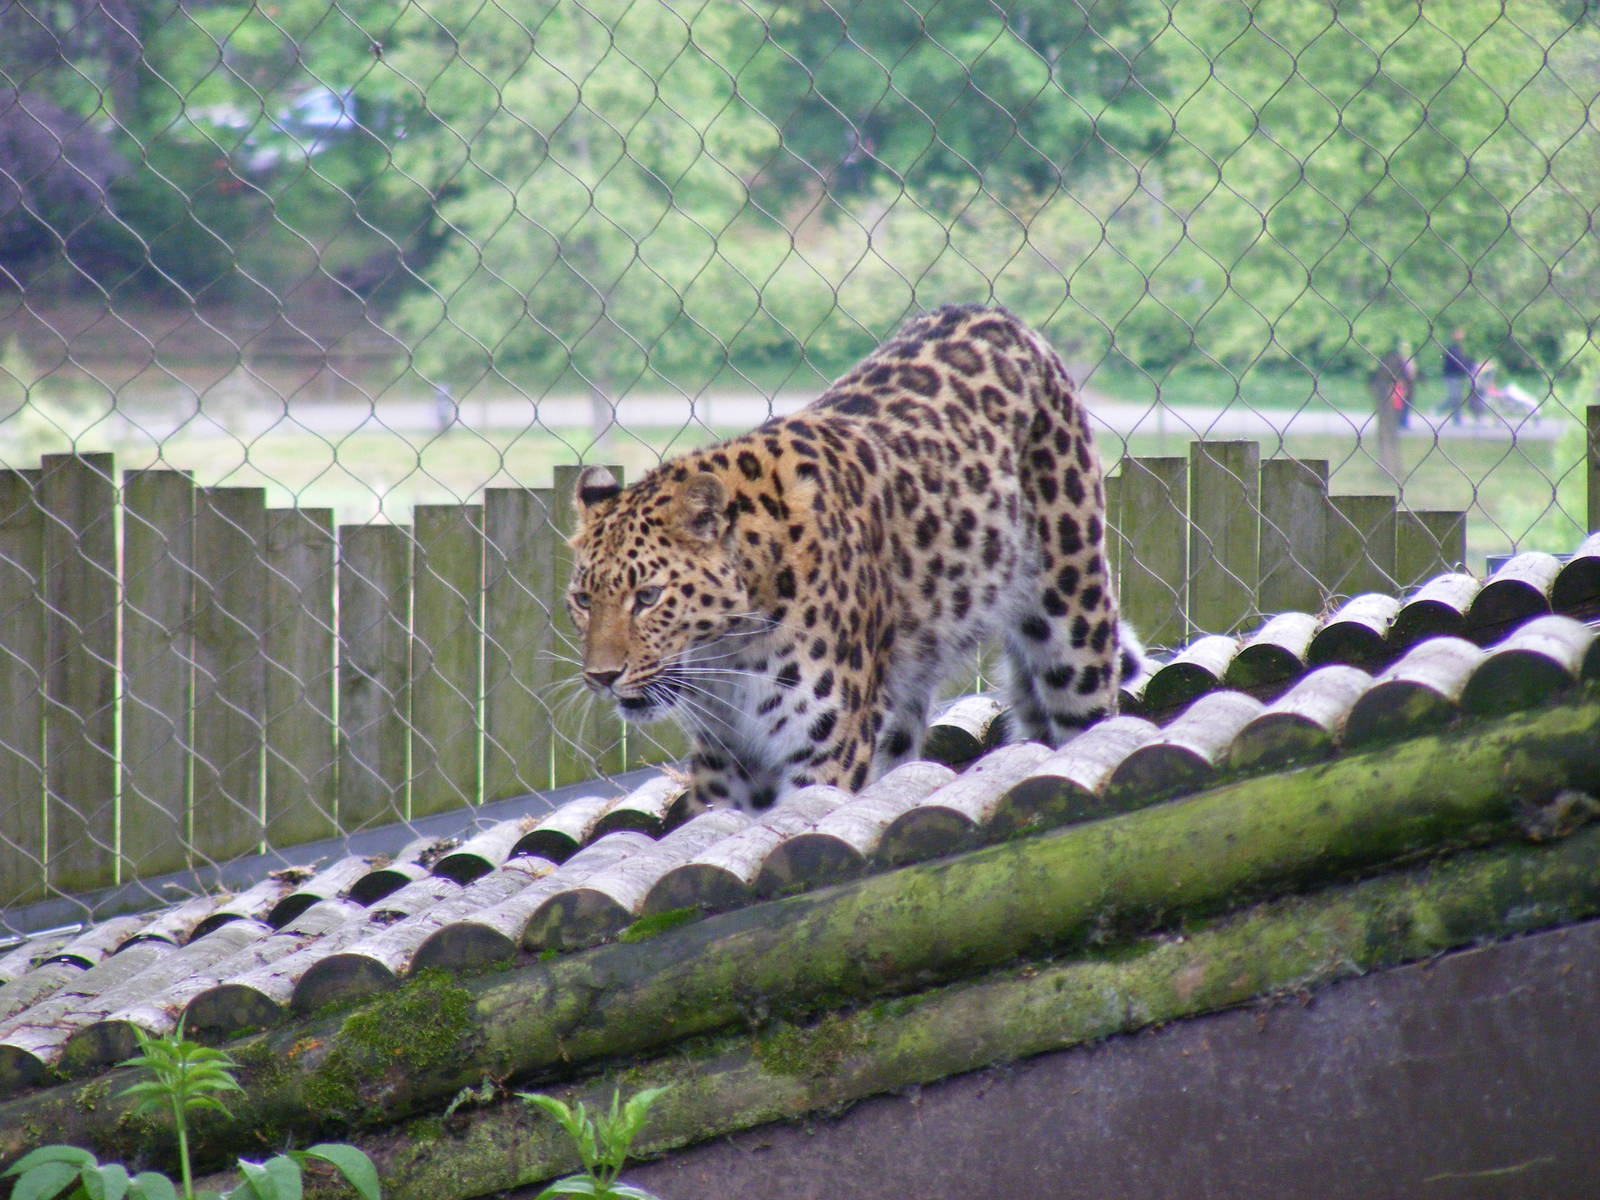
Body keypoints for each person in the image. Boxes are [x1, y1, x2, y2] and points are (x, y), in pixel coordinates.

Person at [1372, 340, 1418, 430]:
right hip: (1398, 385)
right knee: (1396, 404)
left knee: (1405, 404)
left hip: (1408, 385)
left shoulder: (1410, 359)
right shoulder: (1397, 359)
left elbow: (1413, 372)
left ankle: (1403, 422)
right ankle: (1398, 422)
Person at [1438, 329, 1474, 425]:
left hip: (1460, 376)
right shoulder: (1452, 348)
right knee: (1455, 397)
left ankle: (1455, 417)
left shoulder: (1462, 348)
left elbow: (1466, 360)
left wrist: (1471, 367)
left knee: (1458, 397)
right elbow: (1458, 362)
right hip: (1452, 375)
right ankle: (1442, 411)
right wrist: (1468, 367)